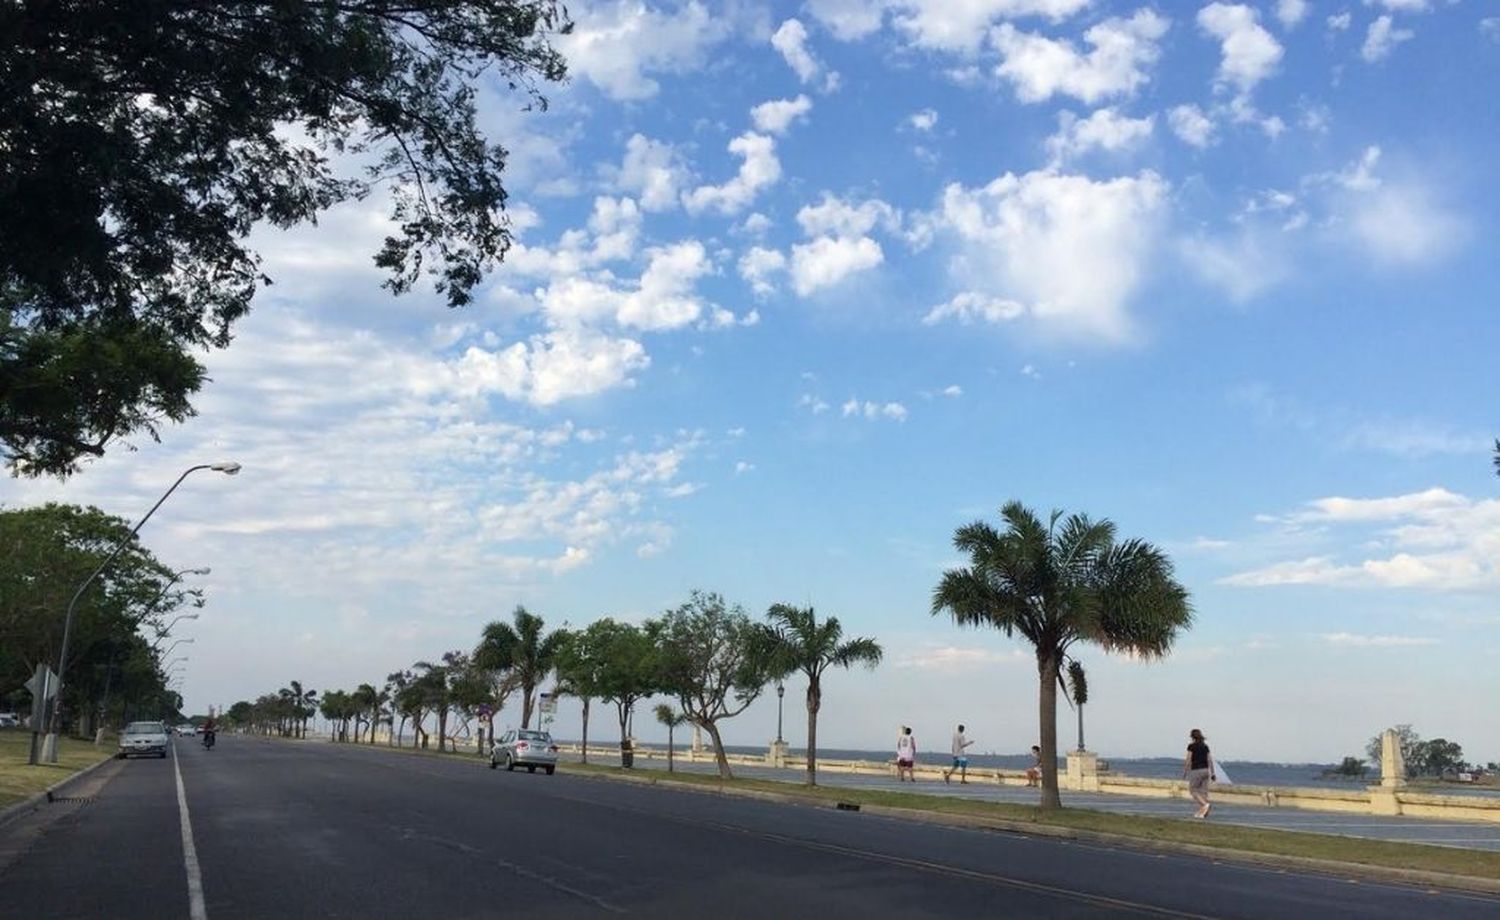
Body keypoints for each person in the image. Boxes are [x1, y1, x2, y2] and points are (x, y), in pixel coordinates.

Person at [1183, 728, 1215, 818]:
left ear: (1192, 737)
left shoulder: (1191, 746)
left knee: (1193, 791)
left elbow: (1188, 759)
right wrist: (1213, 773)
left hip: (1196, 770)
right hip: (1206, 770)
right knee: (1203, 792)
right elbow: (1210, 760)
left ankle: (1205, 805)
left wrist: (1185, 771)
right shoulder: (1205, 746)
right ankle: (1204, 813)